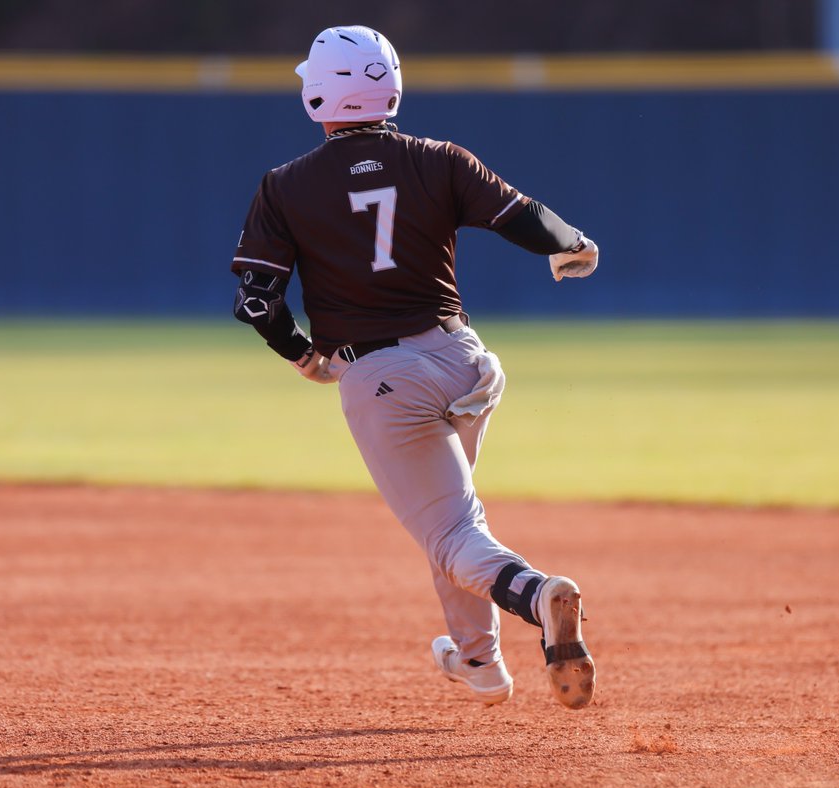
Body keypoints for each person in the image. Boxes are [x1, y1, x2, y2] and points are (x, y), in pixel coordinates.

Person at [230, 25, 599, 709]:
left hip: (381, 377)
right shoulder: (440, 159)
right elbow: (524, 218)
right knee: (454, 518)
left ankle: (538, 595)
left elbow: (256, 303)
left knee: (452, 531)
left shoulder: (285, 186)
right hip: (466, 362)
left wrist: (303, 354)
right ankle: (478, 662)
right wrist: (573, 243)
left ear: (318, 92)